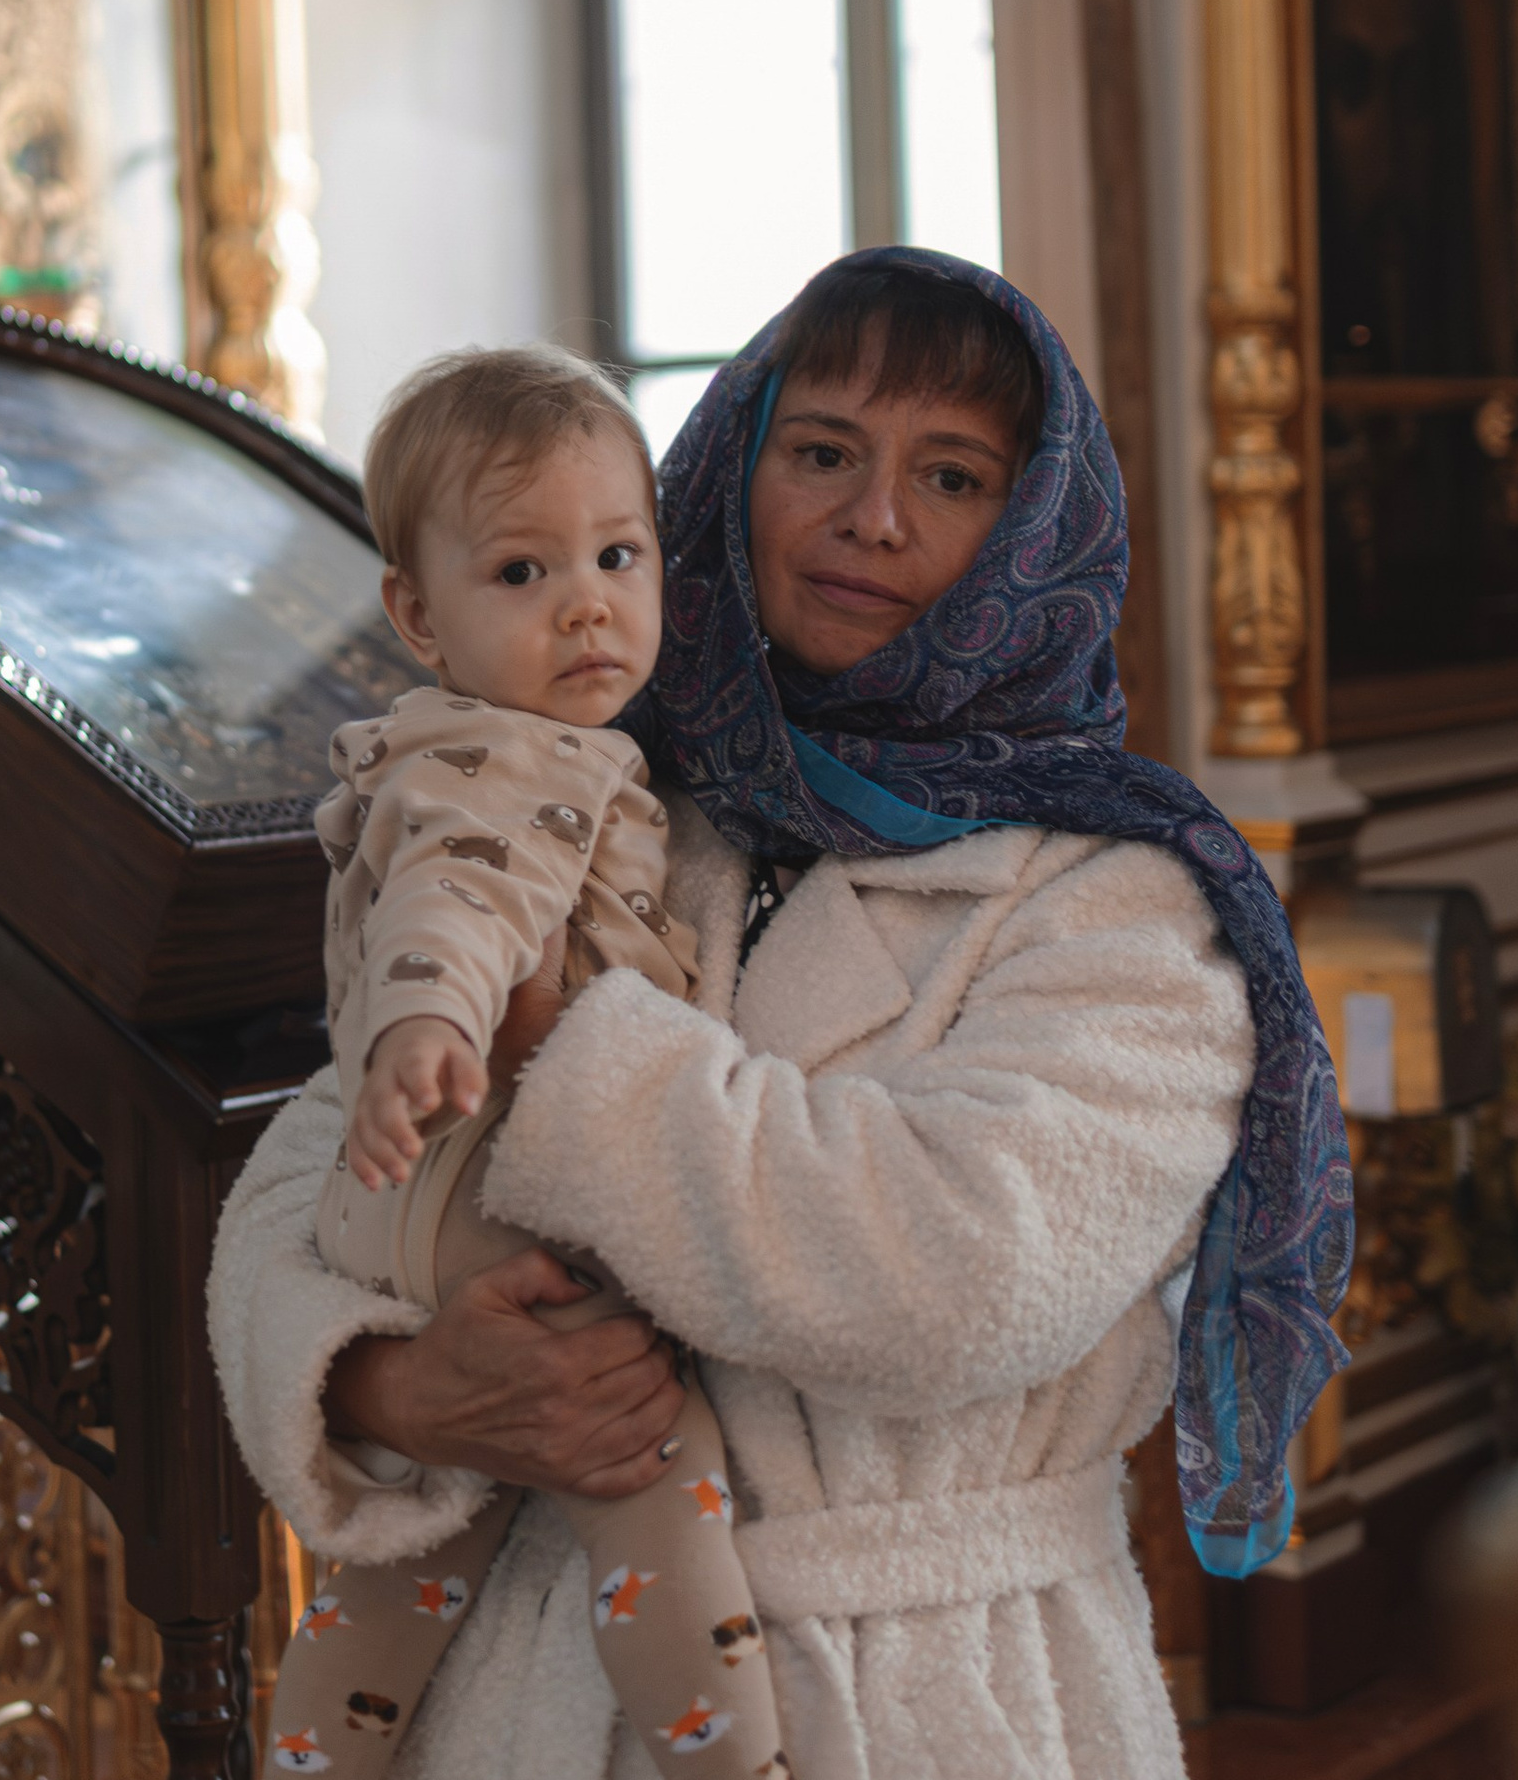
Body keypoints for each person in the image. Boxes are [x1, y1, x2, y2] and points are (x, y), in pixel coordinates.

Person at [211, 248, 1352, 1779]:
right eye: (821, 452)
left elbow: (960, 1273)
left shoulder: (1123, 900)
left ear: (1032, 533)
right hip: (529, 1691)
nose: (873, 516)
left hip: (936, 1691)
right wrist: (391, 1384)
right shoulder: (592, 786)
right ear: (730, 470)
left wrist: (560, 1054)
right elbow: (305, 1175)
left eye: (950, 476)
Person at [266, 346, 786, 1780]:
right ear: (417, 616)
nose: (586, 604)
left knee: (417, 1553)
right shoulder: (503, 761)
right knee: (649, 1463)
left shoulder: (524, 749)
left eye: (620, 556)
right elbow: (455, 903)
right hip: (491, 1194)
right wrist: (427, 1029)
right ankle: (732, 1761)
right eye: (520, 572)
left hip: (418, 1218)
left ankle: (313, 1754)